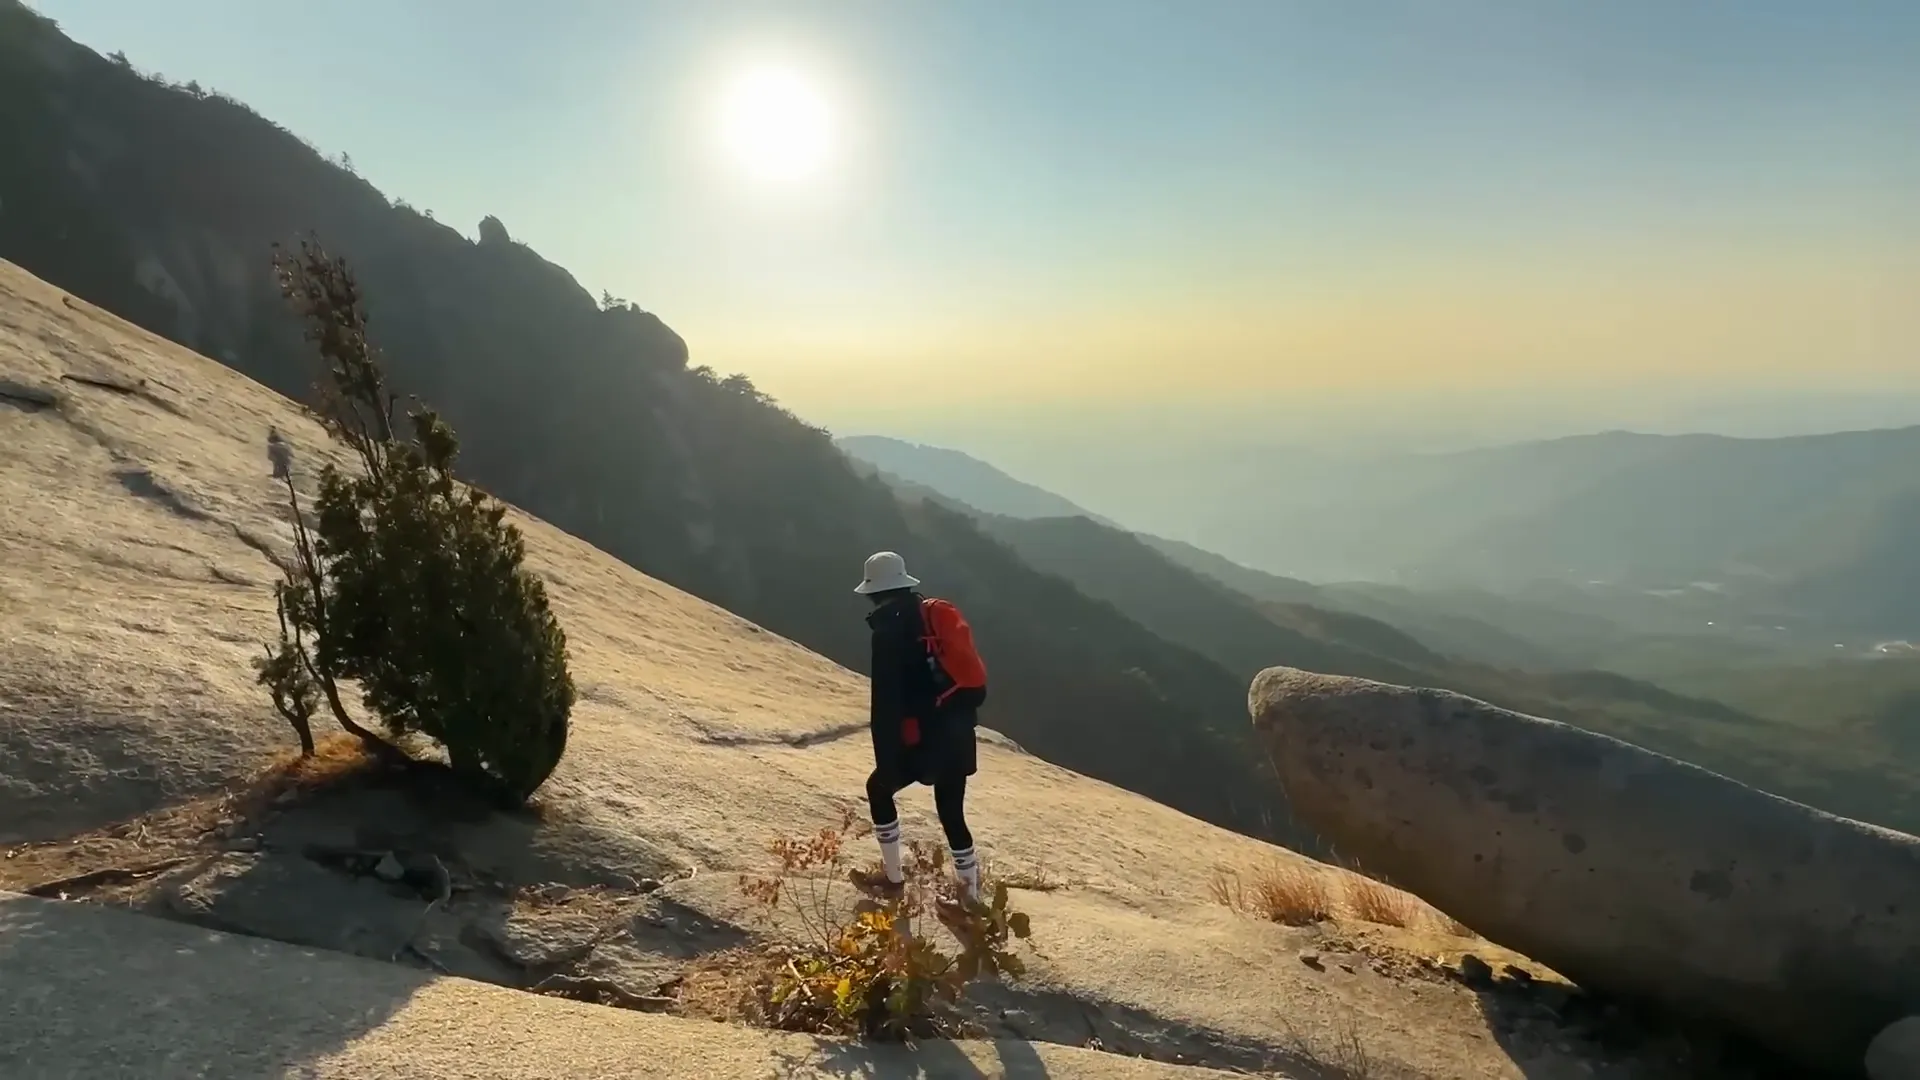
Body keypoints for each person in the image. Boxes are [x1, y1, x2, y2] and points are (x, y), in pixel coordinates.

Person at [848, 550, 988, 908]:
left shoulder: (888, 631)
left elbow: (887, 702)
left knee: (878, 789)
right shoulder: (928, 614)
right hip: (957, 731)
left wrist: (888, 756)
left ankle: (893, 880)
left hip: (920, 739)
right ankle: (970, 900)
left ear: (874, 592)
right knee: (952, 812)